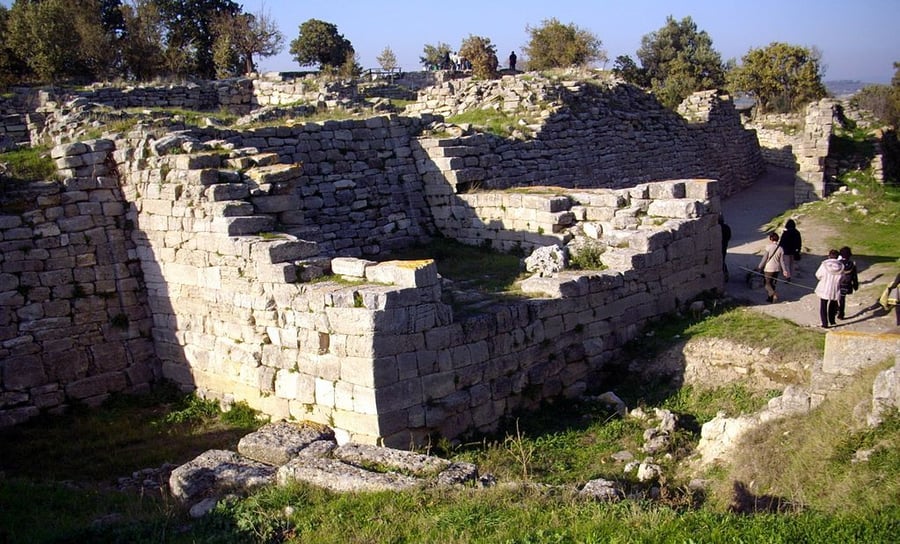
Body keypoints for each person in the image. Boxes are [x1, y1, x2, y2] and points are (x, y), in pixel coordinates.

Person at [814, 249, 843, 328]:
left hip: (824, 287)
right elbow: (842, 278)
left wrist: (823, 279)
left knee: (823, 305)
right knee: (833, 304)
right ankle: (832, 321)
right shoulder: (841, 266)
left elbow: (818, 274)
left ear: (829, 256)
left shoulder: (824, 265)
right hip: (835, 288)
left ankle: (825, 323)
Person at [756, 232, 788, 303]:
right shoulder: (780, 248)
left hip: (769, 269)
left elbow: (764, 259)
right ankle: (770, 299)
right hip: (777, 269)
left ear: (771, 239)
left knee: (767, 284)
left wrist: (759, 267)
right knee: (773, 284)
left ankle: (773, 294)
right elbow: (782, 261)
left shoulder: (768, 247)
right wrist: (784, 270)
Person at [836, 246, 858, 319]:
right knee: (842, 299)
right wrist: (855, 285)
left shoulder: (838, 263)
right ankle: (841, 314)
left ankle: (837, 309)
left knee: (835, 297)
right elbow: (854, 276)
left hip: (837, 283)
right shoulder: (852, 264)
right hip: (847, 284)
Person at [719, 215, 731, 280]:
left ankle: (724, 275)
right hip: (724, 245)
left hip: (720, 246)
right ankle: (725, 274)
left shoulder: (718, 228)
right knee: (723, 260)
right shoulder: (726, 227)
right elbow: (729, 236)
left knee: (721, 261)